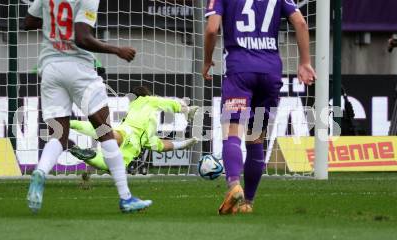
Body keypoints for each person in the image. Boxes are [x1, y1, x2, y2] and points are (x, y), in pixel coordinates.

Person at [23, 0, 152, 213]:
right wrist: (117, 50)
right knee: (105, 132)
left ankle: (40, 172)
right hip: (79, 72)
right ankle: (125, 197)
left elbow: (28, 22)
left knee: (59, 135)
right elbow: (82, 38)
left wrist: (54, 24)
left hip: (50, 70)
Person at [203, 0, 316, 214]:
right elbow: (300, 23)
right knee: (256, 137)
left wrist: (207, 60)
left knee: (231, 131)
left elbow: (211, 29)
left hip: (240, 71)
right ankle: (248, 203)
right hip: (270, 71)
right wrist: (304, 62)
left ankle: (234, 185)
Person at [68, 86, 199, 171]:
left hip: (130, 138)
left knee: (112, 162)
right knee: (112, 147)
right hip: (130, 136)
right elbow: (170, 104)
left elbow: (162, 145)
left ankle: (78, 138)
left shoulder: (145, 134)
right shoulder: (148, 100)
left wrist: (184, 144)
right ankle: (88, 155)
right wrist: (187, 110)